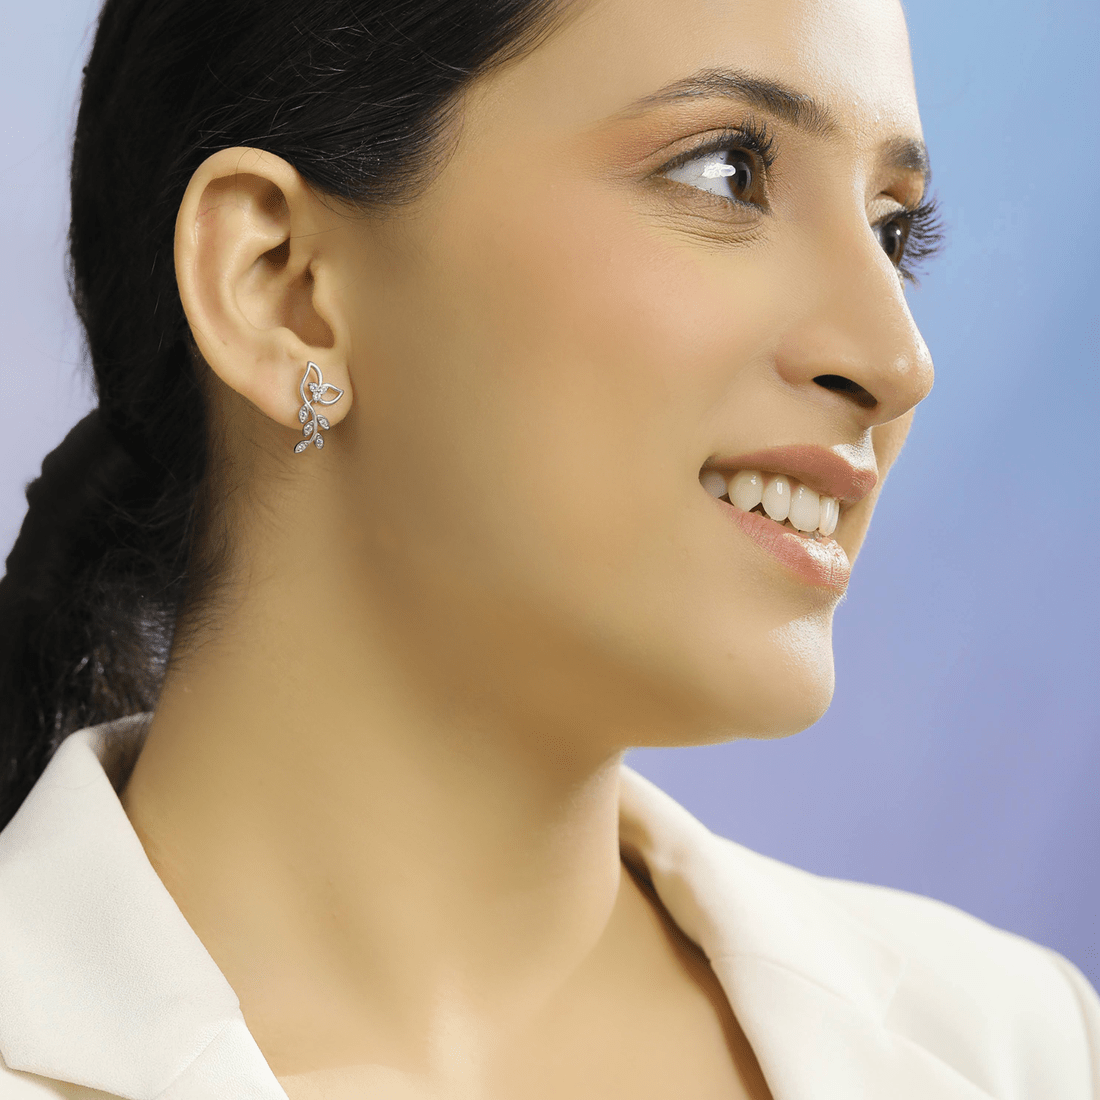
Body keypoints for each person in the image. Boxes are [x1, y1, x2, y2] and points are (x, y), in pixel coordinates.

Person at [0, 0, 1097, 1096]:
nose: (899, 361)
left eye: (893, 232)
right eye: (727, 173)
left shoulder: (1028, 1048)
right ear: (283, 286)